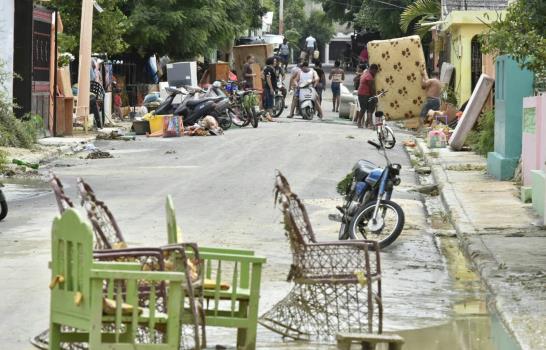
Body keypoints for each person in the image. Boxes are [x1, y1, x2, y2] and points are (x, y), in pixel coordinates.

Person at [356, 64, 378, 129]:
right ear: (372, 69)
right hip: (364, 94)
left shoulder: (365, 73)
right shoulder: (369, 77)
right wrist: (374, 96)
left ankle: (367, 123)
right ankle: (365, 123)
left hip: (362, 93)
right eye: (375, 71)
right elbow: (372, 88)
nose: (376, 73)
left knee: (367, 109)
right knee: (366, 109)